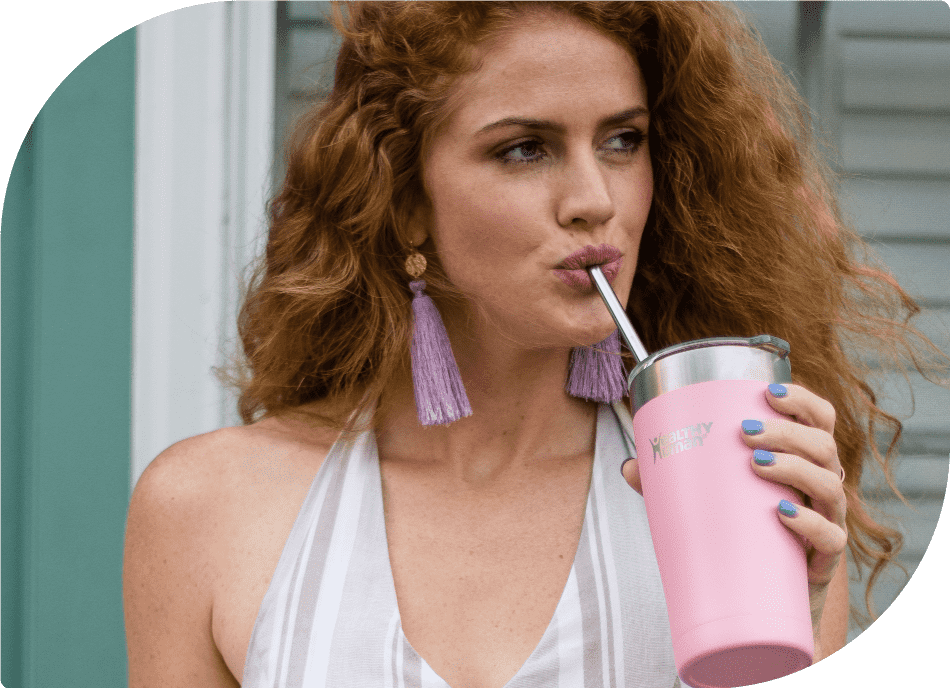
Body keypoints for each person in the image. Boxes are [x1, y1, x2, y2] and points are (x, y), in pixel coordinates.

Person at [123, 2, 948, 687]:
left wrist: (785, 633)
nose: (596, 200)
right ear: (404, 200)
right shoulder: (207, 511)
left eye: (624, 141)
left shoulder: (745, 498)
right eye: (525, 149)